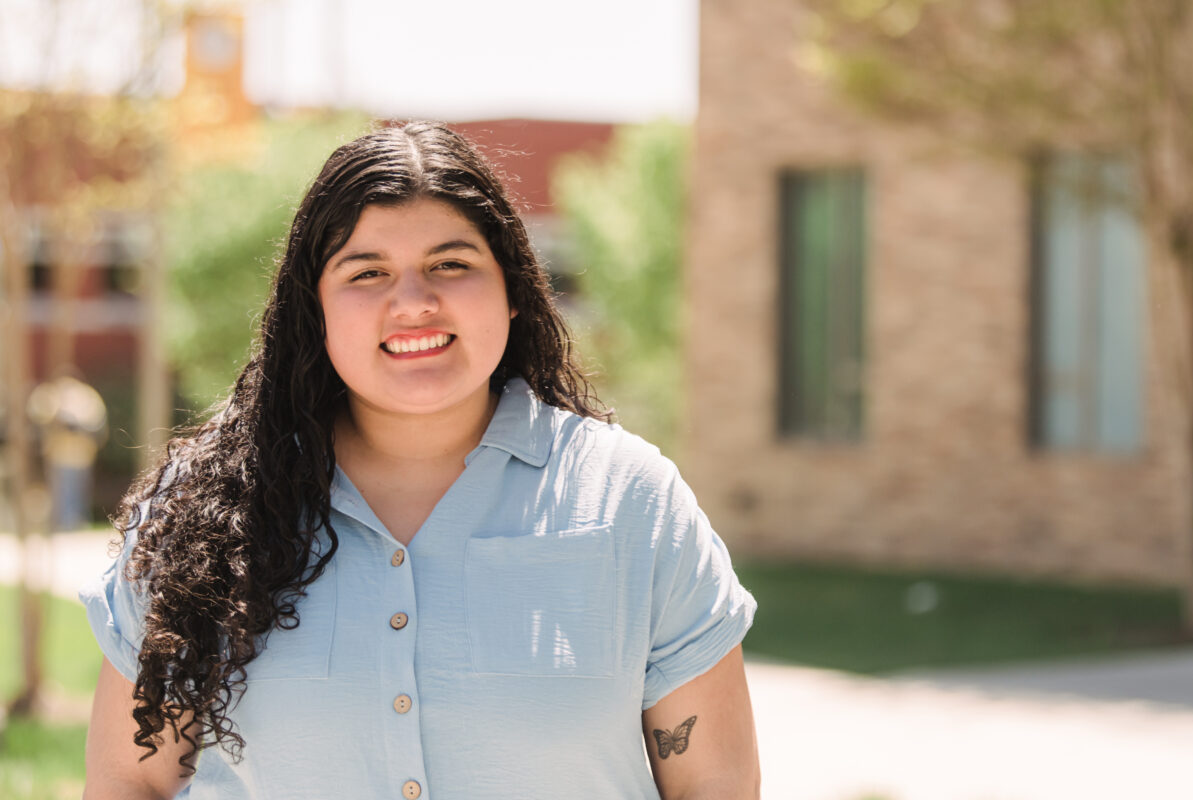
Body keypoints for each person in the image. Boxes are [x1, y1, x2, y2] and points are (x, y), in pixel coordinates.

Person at [80, 121, 759, 800]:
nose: (413, 303)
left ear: (513, 289)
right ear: (313, 308)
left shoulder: (632, 503)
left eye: (451, 264)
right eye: (367, 272)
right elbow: (127, 781)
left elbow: (714, 783)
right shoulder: (202, 514)